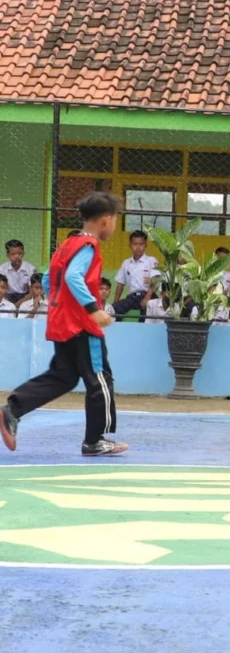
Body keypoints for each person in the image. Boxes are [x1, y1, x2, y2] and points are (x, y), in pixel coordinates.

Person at [0, 193, 127, 456]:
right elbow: (73, 277)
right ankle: (95, 441)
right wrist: (93, 309)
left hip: (61, 323)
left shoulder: (68, 244)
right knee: (99, 378)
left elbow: (48, 280)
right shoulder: (89, 246)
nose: (114, 227)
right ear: (106, 220)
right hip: (82, 325)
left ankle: (12, 410)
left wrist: (59, 307)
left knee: (64, 376)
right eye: (115, 220)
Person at [112, 230, 160, 321]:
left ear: (145, 246)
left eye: (141, 244)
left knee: (146, 317)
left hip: (149, 295)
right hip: (133, 297)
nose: (138, 247)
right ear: (130, 245)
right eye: (135, 244)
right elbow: (120, 284)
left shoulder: (151, 260)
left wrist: (147, 297)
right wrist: (116, 301)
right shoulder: (126, 263)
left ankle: (143, 333)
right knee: (113, 310)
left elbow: (155, 279)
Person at [0, 239, 36, 305]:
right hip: (6, 297)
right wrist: (9, 305)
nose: (17, 256)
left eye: (19, 253)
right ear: (8, 255)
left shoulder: (30, 269)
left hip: (25, 298)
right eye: (13, 254)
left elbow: (32, 292)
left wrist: (18, 304)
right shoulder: (2, 269)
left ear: (23, 254)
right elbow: (1, 290)